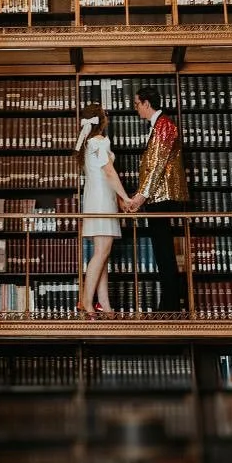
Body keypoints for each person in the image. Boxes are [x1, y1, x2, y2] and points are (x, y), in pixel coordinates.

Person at [123, 86, 189, 313]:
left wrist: (140, 197)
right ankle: (169, 305)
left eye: (136, 103)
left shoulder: (165, 126)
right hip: (157, 196)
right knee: (163, 251)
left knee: (164, 251)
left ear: (146, 103)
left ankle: (170, 306)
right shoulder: (159, 126)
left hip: (162, 197)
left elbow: (158, 165)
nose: (135, 108)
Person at [76, 102, 131, 318]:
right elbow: (109, 172)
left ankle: (104, 305)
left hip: (95, 198)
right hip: (101, 201)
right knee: (101, 253)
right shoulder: (99, 141)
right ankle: (87, 302)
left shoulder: (88, 143)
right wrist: (125, 197)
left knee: (102, 254)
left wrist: (118, 200)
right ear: (102, 120)